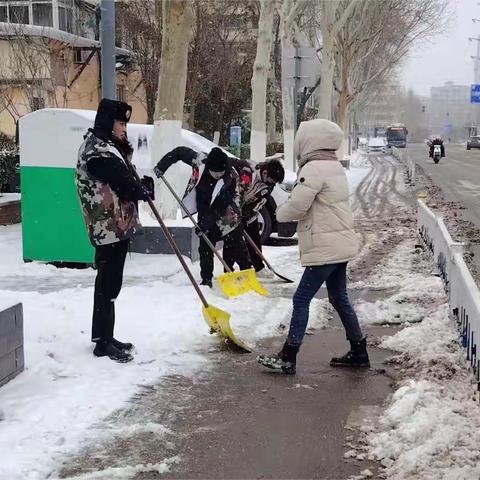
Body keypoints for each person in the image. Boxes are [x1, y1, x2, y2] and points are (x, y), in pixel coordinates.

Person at [257, 119, 369, 374]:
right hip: (338, 243)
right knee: (339, 298)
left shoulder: (314, 168)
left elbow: (298, 206)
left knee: (301, 299)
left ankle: (288, 356)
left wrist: (278, 214)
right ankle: (359, 350)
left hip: (325, 246)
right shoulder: (333, 166)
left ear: (309, 140)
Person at [76, 98, 154, 363]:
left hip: (115, 227)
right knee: (108, 284)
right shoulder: (97, 151)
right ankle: (102, 343)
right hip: (106, 227)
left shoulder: (108, 147)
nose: (124, 128)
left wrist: (141, 185)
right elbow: (123, 182)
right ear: (108, 122)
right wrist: (141, 190)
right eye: (121, 122)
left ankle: (106, 337)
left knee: (109, 284)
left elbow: (127, 177)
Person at [154, 146, 252, 287]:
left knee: (235, 241)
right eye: (215, 173)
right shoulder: (200, 161)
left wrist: (206, 223)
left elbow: (221, 205)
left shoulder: (230, 177)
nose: (218, 175)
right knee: (205, 244)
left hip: (227, 211)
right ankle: (206, 280)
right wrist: (162, 166)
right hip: (204, 205)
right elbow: (179, 152)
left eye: (220, 173)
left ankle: (246, 274)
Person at [232, 158, 285, 277]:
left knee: (254, 236)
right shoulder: (249, 171)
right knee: (234, 239)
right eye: (271, 180)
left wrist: (249, 212)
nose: (272, 184)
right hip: (233, 206)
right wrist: (237, 209)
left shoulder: (269, 185)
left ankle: (258, 267)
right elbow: (237, 190)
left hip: (248, 209)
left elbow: (261, 201)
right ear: (265, 173)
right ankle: (237, 267)